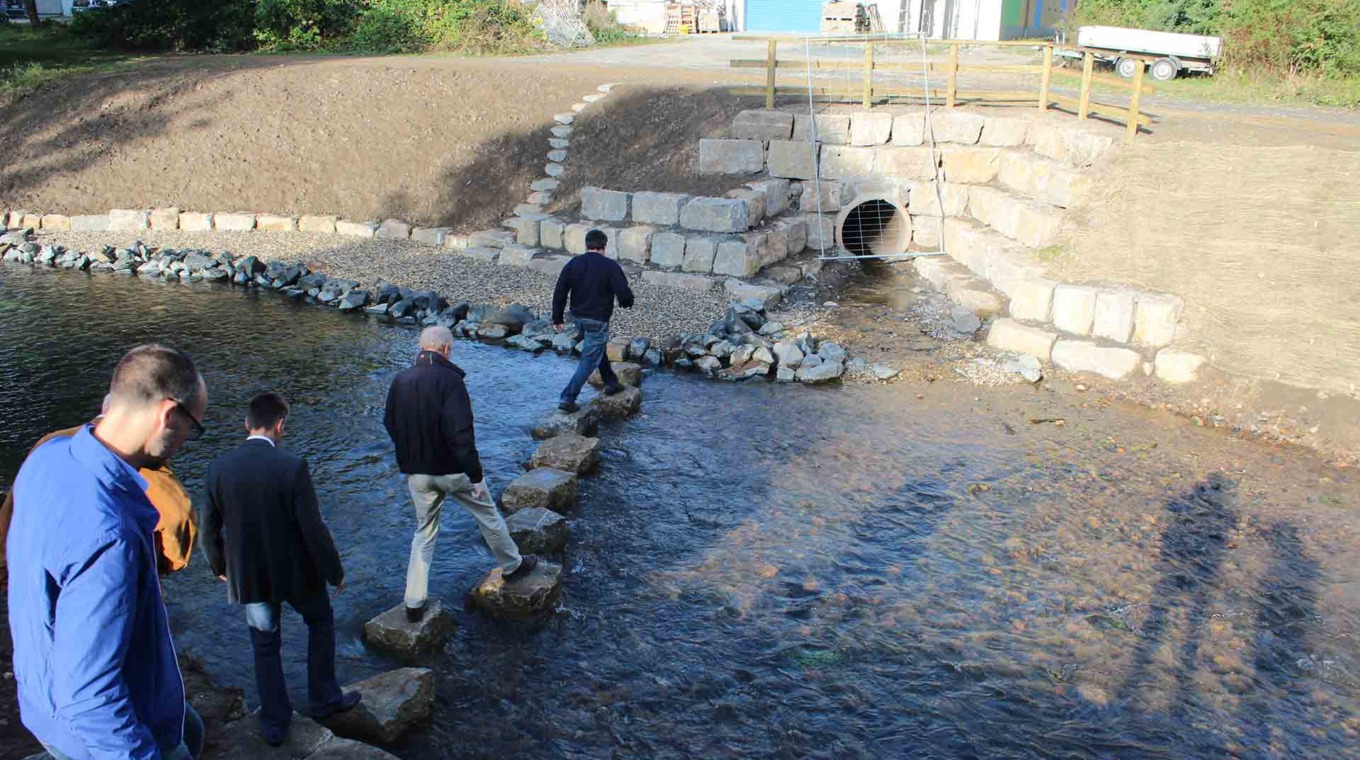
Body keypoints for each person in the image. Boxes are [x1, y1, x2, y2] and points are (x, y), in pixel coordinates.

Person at [6, 344, 208, 759]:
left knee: (193, 727)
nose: (188, 440)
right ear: (168, 415)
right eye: (195, 427)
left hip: (40, 698)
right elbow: (88, 698)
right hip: (89, 731)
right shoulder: (109, 531)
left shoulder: (46, 457)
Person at [200, 392, 360, 746]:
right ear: (280, 425)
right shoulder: (292, 467)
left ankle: (275, 721)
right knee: (320, 622)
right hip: (298, 574)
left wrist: (219, 567)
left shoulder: (217, 468)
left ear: (246, 424)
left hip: (250, 576)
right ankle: (325, 699)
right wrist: (335, 572)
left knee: (265, 645)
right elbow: (313, 529)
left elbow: (208, 529)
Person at [384, 326, 538, 623]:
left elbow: (390, 423)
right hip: (454, 471)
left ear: (422, 347)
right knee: (488, 516)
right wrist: (476, 476)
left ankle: (414, 602)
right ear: (445, 350)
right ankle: (512, 566)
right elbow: (461, 434)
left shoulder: (400, 380)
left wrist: (409, 458)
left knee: (424, 534)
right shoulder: (451, 381)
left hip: (418, 473)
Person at [0, 395, 197, 575]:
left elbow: (15, 505)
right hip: (115, 570)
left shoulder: (50, 442)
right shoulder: (138, 454)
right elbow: (178, 518)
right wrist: (163, 564)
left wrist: (6, 563)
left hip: (38, 566)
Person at [552, 228, 635, 413]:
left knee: (596, 348)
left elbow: (560, 292)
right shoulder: (610, 266)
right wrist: (626, 303)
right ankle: (568, 398)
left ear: (587, 245)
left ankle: (611, 382)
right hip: (597, 320)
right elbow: (623, 292)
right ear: (604, 246)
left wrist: (557, 318)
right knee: (589, 359)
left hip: (578, 319)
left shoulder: (573, 263)